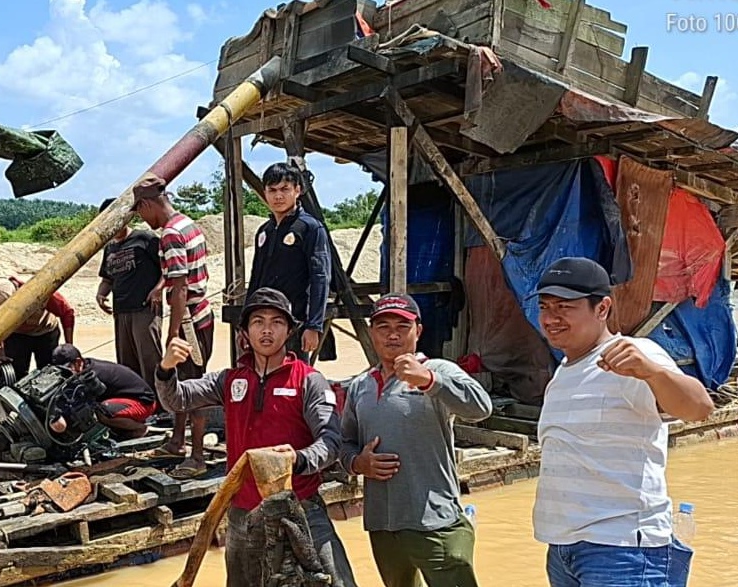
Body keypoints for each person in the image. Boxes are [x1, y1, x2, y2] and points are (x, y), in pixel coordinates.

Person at [530, 257, 714, 587]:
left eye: (564, 307)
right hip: (563, 549)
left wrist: (654, 373)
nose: (550, 317)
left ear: (602, 308)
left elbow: (699, 408)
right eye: (545, 307)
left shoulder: (635, 354)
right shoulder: (564, 373)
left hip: (622, 550)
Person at [155, 287, 357, 587]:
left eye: (276, 322)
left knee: (338, 583)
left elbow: (330, 441)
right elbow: (176, 400)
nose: (267, 330)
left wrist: (298, 460)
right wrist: (166, 368)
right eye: (258, 321)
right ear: (245, 332)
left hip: (301, 508)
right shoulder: (230, 380)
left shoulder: (308, 380)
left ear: (289, 330)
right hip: (243, 513)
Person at [340, 293, 492, 587]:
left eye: (402, 326)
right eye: (383, 327)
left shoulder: (439, 370)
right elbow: (345, 442)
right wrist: (358, 463)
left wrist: (430, 381)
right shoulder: (360, 385)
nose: (392, 335)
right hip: (383, 524)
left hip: (436, 521)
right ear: (372, 332)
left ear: (418, 331)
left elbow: (480, 408)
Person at [132, 173, 214, 479]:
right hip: (200, 314)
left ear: (149, 203)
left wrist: (173, 332)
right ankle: (178, 441)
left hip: (190, 319)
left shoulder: (169, 234)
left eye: (140, 210)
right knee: (184, 382)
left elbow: (179, 289)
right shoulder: (188, 225)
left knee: (193, 387)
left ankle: (197, 457)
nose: (141, 217)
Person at [247, 162, 331, 361]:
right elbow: (256, 278)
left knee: (294, 380)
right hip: (264, 322)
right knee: (260, 377)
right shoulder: (264, 231)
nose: (278, 196)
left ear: (298, 190)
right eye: (272, 190)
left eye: (285, 189)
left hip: (295, 321)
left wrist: (314, 325)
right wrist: (246, 323)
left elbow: (321, 278)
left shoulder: (310, 228)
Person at [96, 197, 164, 387]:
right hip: (121, 311)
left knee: (150, 359)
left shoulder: (145, 239)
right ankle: (136, 402)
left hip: (145, 310)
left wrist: (158, 290)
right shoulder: (110, 247)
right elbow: (107, 278)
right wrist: (101, 294)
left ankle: (160, 406)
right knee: (127, 363)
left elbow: (169, 268)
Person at [50, 343, 158, 439]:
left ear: (78, 363)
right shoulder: (84, 368)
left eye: (67, 369)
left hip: (143, 402)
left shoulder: (92, 375)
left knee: (100, 412)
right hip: (123, 399)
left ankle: (139, 428)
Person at [0, 276, 76, 380]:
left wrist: (69, 346)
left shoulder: (38, 291)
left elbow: (67, 313)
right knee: (12, 373)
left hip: (45, 332)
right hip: (16, 335)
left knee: (50, 374)